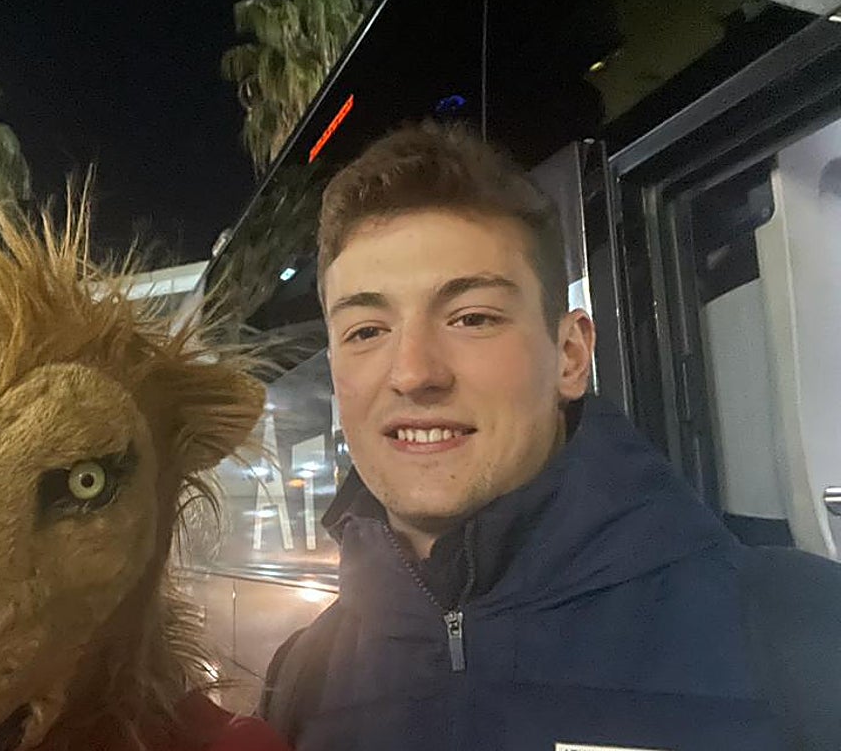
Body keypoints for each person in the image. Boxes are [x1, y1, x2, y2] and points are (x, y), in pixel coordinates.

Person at [259, 120, 841, 750]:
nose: (413, 373)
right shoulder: (300, 682)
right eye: (367, 331)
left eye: (472, 318)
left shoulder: (806, 634)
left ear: (570, 355)